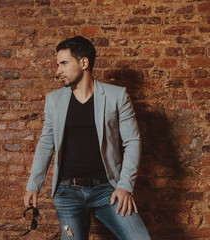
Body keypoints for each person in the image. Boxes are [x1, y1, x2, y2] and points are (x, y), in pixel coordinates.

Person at [23, 35, 151, 240]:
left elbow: (133, 141)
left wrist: (125, 186)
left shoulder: (117, 96)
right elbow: (46, 143)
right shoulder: (54, 100)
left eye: (64, 63)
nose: (58, 71)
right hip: (67, 193)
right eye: (58, 65)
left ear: (84, 63)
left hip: (108, 190)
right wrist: (33, 185)